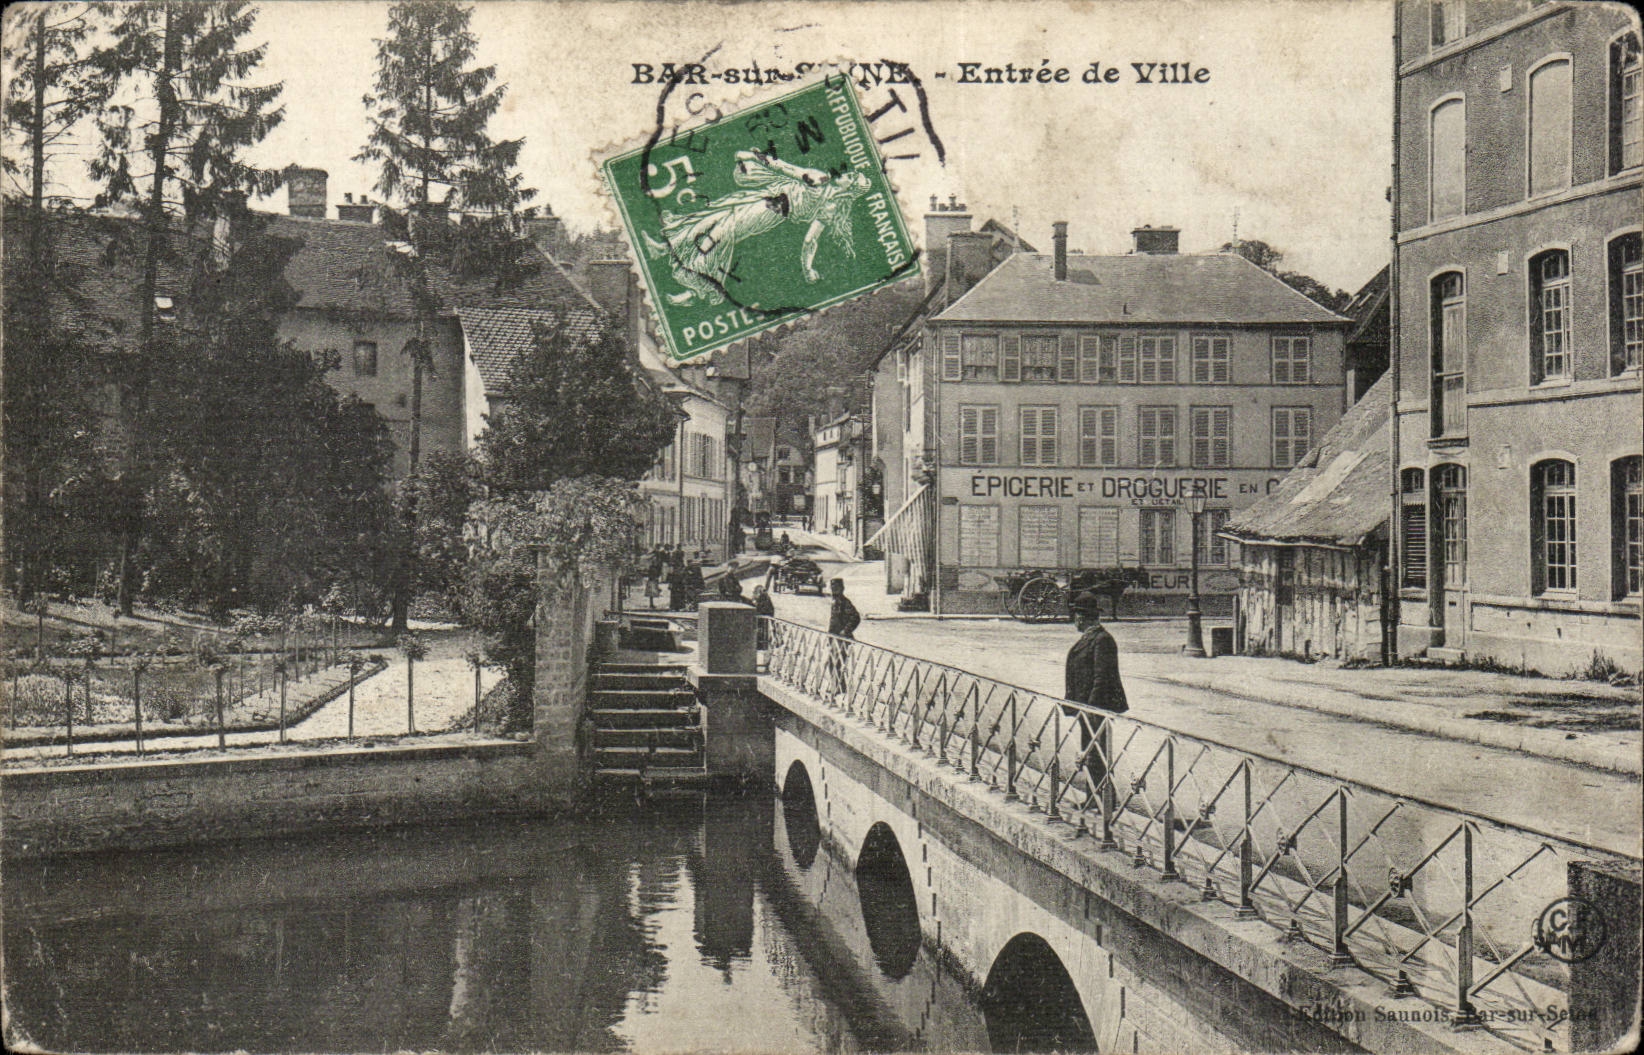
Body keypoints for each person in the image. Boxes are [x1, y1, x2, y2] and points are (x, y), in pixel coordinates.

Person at [1064, 590, 1128, 815]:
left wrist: (1091, 707)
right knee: (1090, 752)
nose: (1074, 621)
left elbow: (1102, 678)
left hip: (1096, 707)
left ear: (1082, 618)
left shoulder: (1102, 640)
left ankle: (1103, 800)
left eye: (1076, 617)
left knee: (1097, 754)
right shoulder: (1091, 638)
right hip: (1087, 707)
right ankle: (1094, 797)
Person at [826, 576, 860, 700]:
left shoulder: (845, 602)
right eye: (832, 588)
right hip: (834, 639)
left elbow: (855, 617)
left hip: (842, 640)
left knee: (837, 663)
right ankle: (838, 687)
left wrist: (845, 631)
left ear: (842, 588)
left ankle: (839, 689)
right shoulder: (835, 601)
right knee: (832, 663)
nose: (834, 590)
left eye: (836, 588)